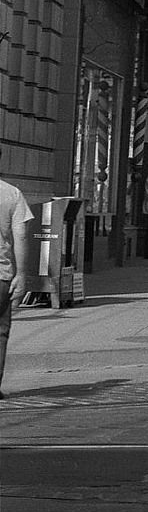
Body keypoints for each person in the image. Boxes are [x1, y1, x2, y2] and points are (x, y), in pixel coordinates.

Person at [0, 150, 35, 398]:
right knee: (0, 332)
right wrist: (21, 275)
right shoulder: (12, 193)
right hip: (1, 276)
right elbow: (20, 235)